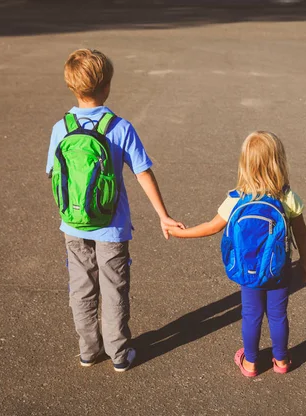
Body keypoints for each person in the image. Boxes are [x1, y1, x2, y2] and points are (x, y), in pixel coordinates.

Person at [46, 49, 183, 372]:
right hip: (112, 226)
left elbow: (53, 173)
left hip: (73, 224)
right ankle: (119, 353)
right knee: (114, 289)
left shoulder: (60, 128)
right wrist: (163, 215)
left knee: (81, 288)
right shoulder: (119, 128)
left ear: (71, 86)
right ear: (106, 86)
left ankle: (89, 350)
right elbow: (143, 172)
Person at [169, 131, 306, 376]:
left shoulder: (236, 199)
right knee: (278, 315)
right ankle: (281, 360)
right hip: (280, 269)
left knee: (251, 314)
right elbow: (301, 233)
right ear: (279, 162)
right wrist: (305, 261)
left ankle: (251, 362)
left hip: (247, 269)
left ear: (244, 164)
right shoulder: (287, 197)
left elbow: (211, 227)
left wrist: (181, 232)